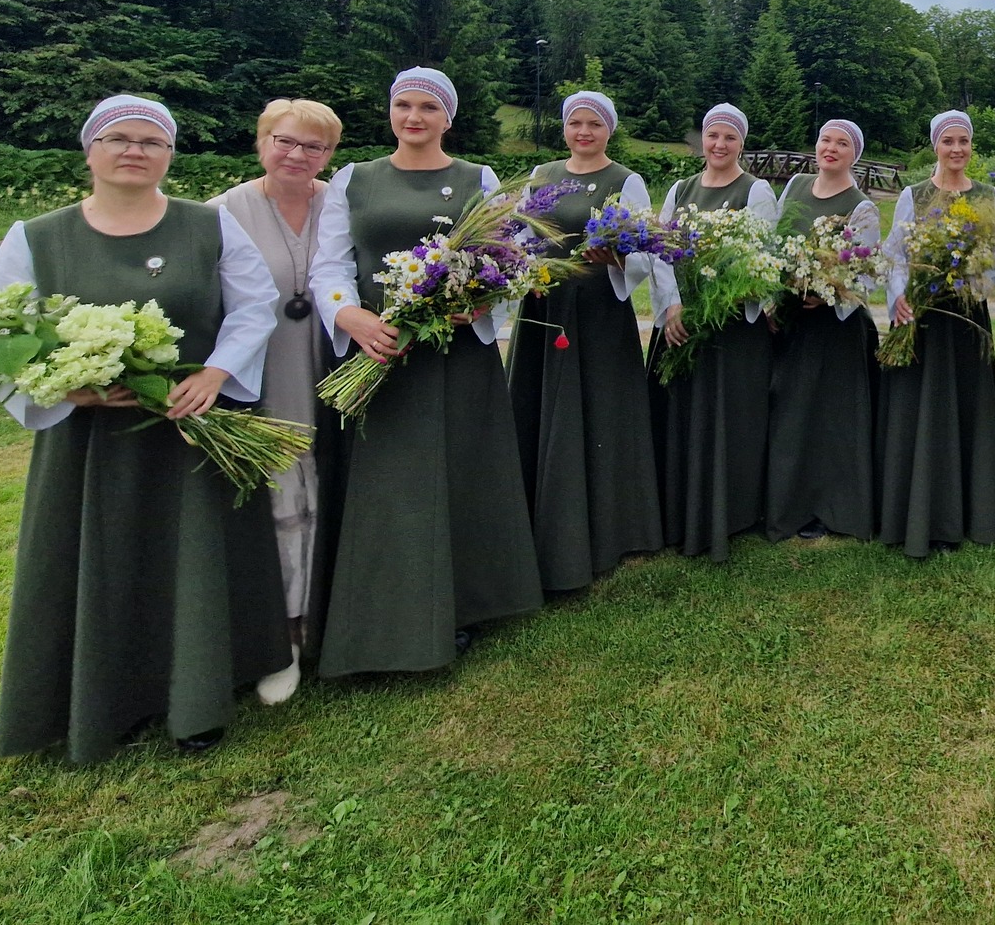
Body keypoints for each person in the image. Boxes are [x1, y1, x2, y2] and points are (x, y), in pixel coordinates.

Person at [0, 95, 287, 761]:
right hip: (91, 444)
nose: (135, 151)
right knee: (108, 560)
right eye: (118, 138)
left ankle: (200, 697)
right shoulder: (37, 237)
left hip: (192, 428)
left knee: (195, 557)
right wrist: (71, 388)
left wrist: (215, 374)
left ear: (169, 156)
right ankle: (103, 703)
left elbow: (253, 304)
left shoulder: (205, 226)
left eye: (152, 142)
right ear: (90, 150)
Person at [308, 68, 542, 676]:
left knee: (459, 472)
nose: (414, 117)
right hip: (379, 352)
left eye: (427, 108)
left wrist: (487, 301)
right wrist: (350, 315)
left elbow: (512, 256)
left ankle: (464, 602)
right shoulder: (353, 179)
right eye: (403, 105)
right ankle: (379, 608)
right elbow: (328, 264)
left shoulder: (476, 178)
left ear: (448, 118)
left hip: (456, 355)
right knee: (388, 480)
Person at [211, 97, 344, 704]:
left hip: (340, 360)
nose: (298, 155)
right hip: (265, 373)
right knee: (283, 486)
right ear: (262, 141)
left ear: (330, 155)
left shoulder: (340, 203)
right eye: (285, 141)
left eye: (313, 146)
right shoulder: (222, 213)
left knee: (337, 482)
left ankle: (331, 615)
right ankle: (282, 633)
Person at [508, 90, 664, 593]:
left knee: (600, 409)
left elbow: (644, 251)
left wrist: (616, 259)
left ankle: (608, 526)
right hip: (545, 304)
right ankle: (543, 513)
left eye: (594, 124)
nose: (584, 132)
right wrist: (520, 264)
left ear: (609, 130)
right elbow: (522, 235)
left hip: (597, 311)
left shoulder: (625, 180)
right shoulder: (543, 176)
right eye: (575, 123)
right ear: (564, 128)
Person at [877, 110, 995, 558]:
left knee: (965, 408)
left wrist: (973, 278)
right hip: (922, 316)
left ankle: (973, 513)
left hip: (967, 315)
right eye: (948, 141)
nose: (957, 149)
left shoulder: (986, 195)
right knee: (925, 412)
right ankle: (921, 513)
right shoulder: (913, 195)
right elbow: (895, 253)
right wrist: (900, 296)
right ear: (935, 145)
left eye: (964, 142)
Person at [648, 103, 779, 562]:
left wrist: (720, 296)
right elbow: (659, 252)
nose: (719, 145)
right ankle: (682, 507)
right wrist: (672, 306)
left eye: (729, 137)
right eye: (712, 136)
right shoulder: (681, 189)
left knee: (730, 419)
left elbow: (759, 255)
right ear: (701, 140)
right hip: (683, 322)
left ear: (742, 143)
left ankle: (734, 510)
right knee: (684, 416)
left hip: (729, 329)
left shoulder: (756, 190)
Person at [766, 118, 882, 542]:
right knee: (791, 414)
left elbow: (865, 274)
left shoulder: (861, 205)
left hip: (837, 329)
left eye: (842, 144)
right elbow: (773, 245)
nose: (831, 149)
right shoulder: (795, 186)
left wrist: (829, 291)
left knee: (830, 420)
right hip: (793, 321)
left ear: (855, 154)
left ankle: (831, 508)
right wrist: (774, 297)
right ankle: (788, 503)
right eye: (825, 140)